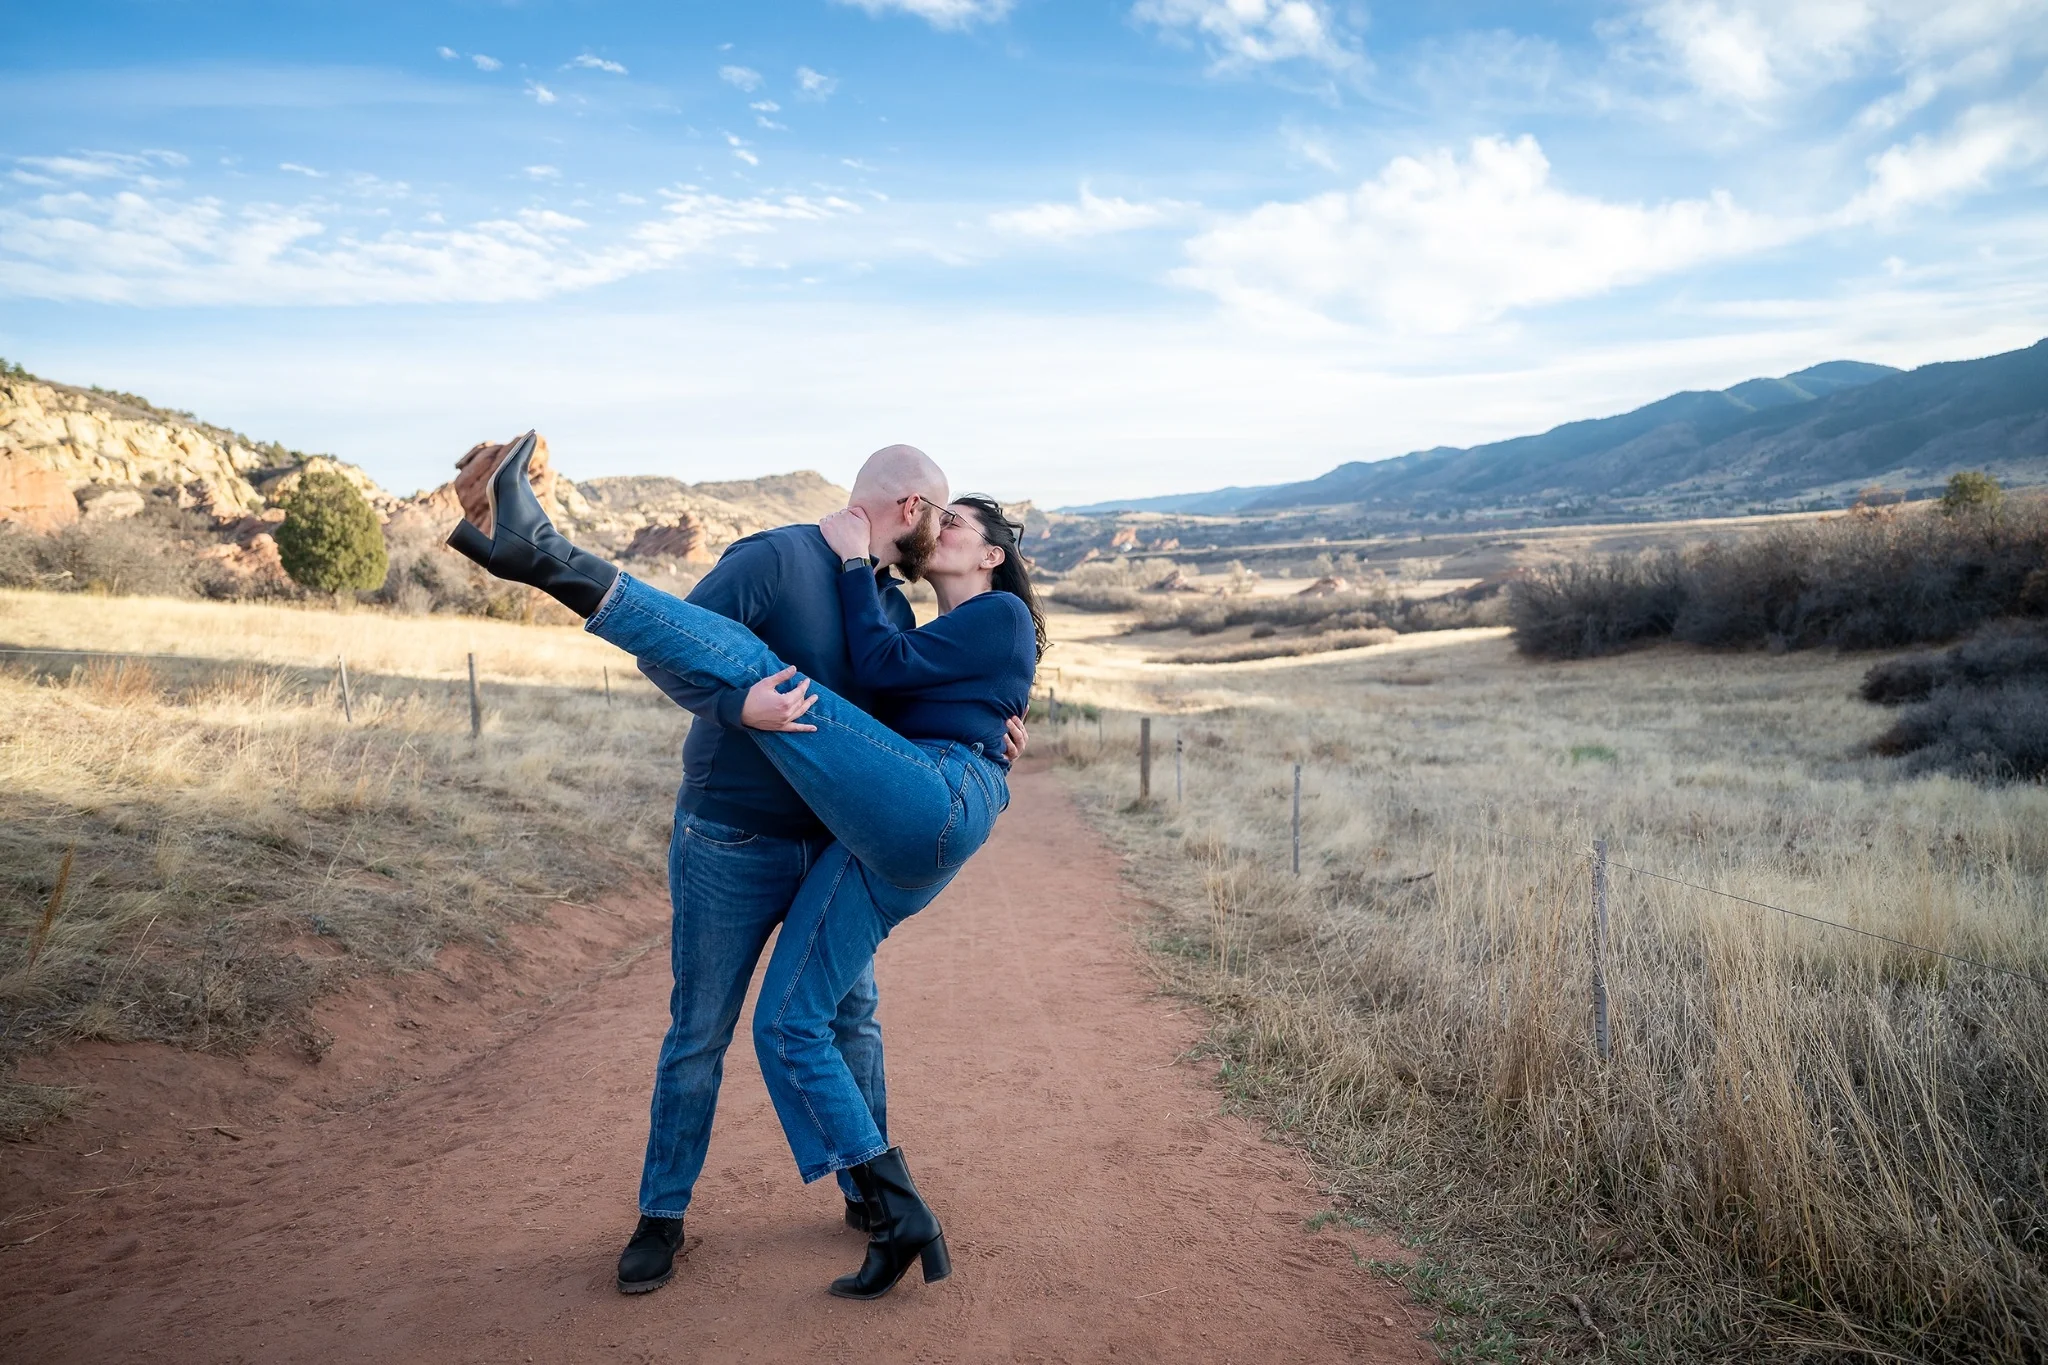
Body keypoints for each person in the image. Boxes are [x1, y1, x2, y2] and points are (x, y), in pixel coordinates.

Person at [448, 433, 1045, 1300]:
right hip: (733, 837)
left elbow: (899, 710)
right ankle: (661, 1216)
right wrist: (739, 706)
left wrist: (995, 736)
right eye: (940, 514)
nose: (938, 534)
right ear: (914, 512)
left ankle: (866, 1189)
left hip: (837, 840)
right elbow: (677, 649)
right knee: (700, 1035)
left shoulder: (888, 602)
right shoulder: (775, 557)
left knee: (850, 1021)